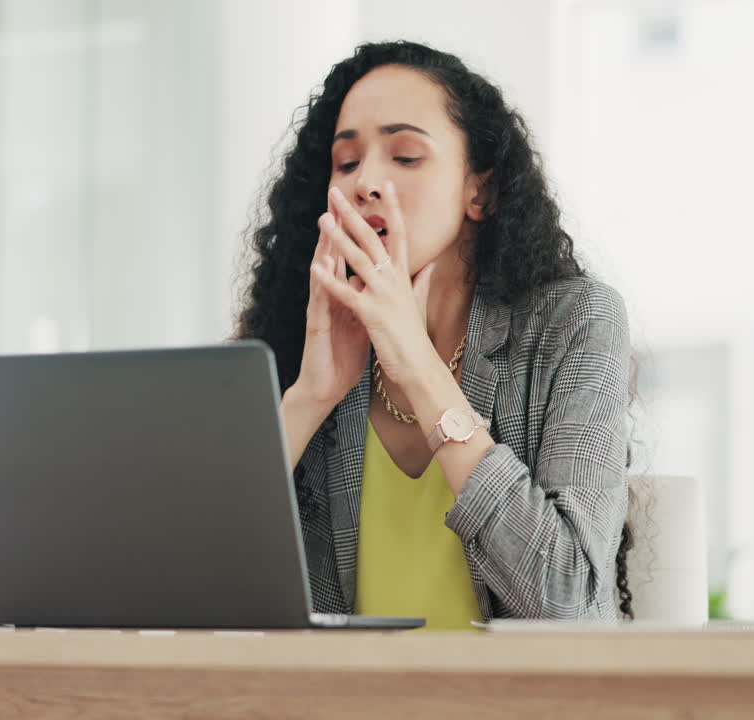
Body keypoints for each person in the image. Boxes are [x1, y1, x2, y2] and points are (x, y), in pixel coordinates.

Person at [234, 41, 633, 628]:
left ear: (482, 191)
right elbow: (182, 589)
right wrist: (309, 398)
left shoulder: (573, 322)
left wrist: (419, 368)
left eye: (405, 156)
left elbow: (567, 598)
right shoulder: (298, 342)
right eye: (346, 163)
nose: (366, 181)